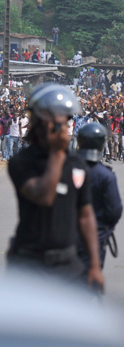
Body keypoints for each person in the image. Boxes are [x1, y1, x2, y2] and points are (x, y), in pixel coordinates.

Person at [6, 85, 104, 289]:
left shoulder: (77, 164)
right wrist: (57, 153)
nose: (65, 127)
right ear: (40, 123)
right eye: (57, 122)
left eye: (66, 121)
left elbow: (85, 215)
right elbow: (45, 195)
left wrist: (94, 266)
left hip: (68, 265)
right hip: (29, 266)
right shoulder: (22, 162)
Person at [76, 122, 123, 270]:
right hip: (97, 237)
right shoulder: (106, 176)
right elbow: (115, 210)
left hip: (67, 237)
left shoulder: (67, 170)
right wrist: (105, 228)